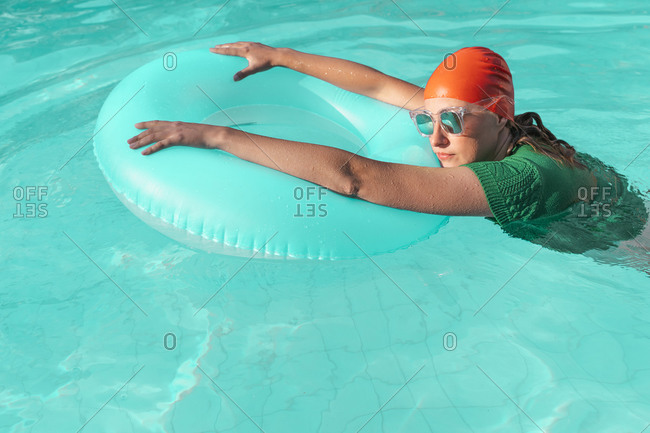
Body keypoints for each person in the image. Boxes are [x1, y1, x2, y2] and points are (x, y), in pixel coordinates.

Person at [127, 41, 601, 226]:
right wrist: (280, 56)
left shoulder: (523, 177)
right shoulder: (491, 125)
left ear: (499, 116)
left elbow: (357, 177)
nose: (435, 140)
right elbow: (377, 85)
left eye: (451, 123)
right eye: (425, 120)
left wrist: (218, 137)